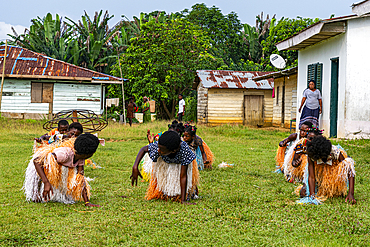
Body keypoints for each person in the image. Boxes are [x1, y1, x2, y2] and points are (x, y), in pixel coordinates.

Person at [23, 133, 101, 207]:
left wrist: (87, 202)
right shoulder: (64, 155)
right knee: (37, 198)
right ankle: (36, 192)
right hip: (39, 166)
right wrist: (46, 182)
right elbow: (37, 161)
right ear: (89, 154)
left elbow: (80, 179)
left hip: (58, 167)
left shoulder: (81, 158)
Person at [130, 131, 199, 204]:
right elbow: (143, 149)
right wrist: (135, 167)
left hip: (180, 164)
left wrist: (183, 200)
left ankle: (191, 191)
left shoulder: (184, 150)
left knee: (185, 194)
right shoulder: (161, 145)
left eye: (161, 149)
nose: (158, 150)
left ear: (173, 151)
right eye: (159, 148)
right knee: (165, 195)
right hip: (165, 163)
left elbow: (183, 176)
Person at [296, 135, 356, 205]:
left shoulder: (335, 151)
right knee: (303, 193)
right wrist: (311, 196)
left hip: (332, 174)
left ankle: (331, 189)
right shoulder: (311, 154)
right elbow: (311, 177)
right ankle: (318, 188)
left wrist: (351, 193)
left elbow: (348, 169)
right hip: (319, 175)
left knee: (335, 193)